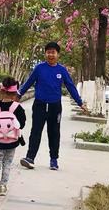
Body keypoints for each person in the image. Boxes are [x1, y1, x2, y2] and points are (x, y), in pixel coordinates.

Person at [18, 41, 86, 170]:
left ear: (58, 54)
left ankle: (54, 160)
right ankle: (30, 158)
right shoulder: (39, 68)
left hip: (55, 106)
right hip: (40, 105)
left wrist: (80, 102)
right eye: (48, 52)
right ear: (45, 53)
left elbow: (70, 86)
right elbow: (28, 83)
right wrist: (18, 94)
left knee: (54, 132)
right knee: (36, 131)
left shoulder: (62, 70)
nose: (50, 55)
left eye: (53, 52)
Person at [0, 76, 27, 197]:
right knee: (7, 163)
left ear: (2, 91)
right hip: (12, 141)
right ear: (15, 93)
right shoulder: (17, 108)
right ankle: (2, 187)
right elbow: (22, 124)